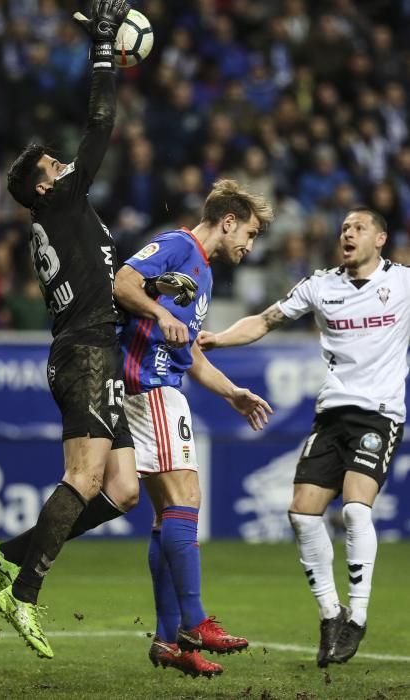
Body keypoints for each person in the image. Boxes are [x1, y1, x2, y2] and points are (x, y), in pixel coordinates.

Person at [0, 0, 139, 660]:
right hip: (86, 356)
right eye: (55, 165)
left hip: (91, 347)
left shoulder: (64, 217)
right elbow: (100, 126)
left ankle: (11, 552)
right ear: (43, 187)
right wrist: (104, 49)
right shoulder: (64, 204)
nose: (65, 166)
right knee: (82, 476)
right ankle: (21, 594)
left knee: (123, 491)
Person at [198, 206, 407, 667]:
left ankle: (358, 615)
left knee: (355, 509)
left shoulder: (404, 285)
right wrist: (216, 339)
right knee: (301, 513)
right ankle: (331, 614)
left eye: (358, 227)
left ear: (380, 239)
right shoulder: (320, 285)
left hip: (379, 415)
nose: (347, 233)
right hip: (332, 415)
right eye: (344, 227)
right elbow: (265, 320)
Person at [113, 179, 274, 678]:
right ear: (227, 222)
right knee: (188, 500)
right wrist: (159, 312)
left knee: (170, 513)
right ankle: (194, 622)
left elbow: (193, 354)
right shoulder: (180, 245)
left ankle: (168, 641)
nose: (249, 245)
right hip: (151, 386)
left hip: (164, 383)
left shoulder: (200, 273)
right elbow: (121, 281)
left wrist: (233, 394)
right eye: (247, 233)